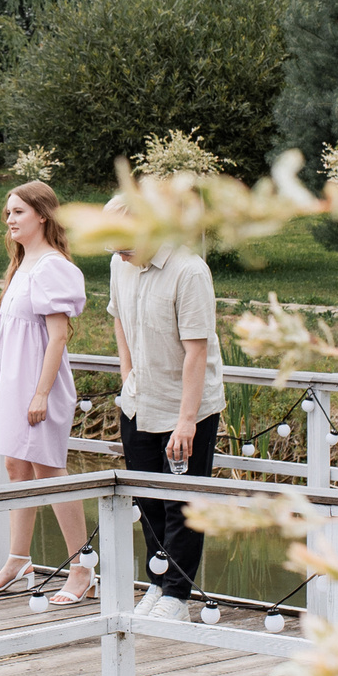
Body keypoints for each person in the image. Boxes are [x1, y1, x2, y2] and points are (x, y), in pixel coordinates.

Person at [0, 181, 92, 604]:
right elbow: (19, 330)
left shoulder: (52, 266)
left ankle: (82, 568)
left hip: (41, 385)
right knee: (16, 468)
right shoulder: (22, 263)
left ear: (41, 215)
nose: (9, 219)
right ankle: (18, 560)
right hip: (15, 382)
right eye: (7, 213)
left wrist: (41, 394)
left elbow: (57, 338)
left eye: (17, 212)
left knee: (49, 470)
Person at [107, 198, 226, 623]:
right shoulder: (119, 264)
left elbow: (197, 351)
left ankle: (177, 594)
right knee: (148, 501)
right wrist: (128, 375)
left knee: (181, 503)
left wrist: (186, 422)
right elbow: (119, 318)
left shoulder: (189, 271)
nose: (119, 253)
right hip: (140, 400)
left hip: (186, 405)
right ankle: (156, 584)